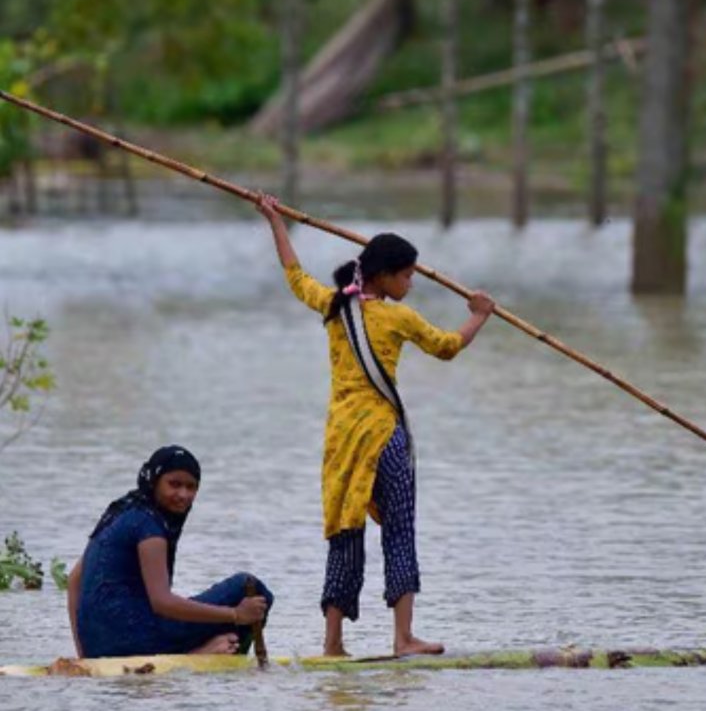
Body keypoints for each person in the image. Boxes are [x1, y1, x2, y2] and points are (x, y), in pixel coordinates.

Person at [257, 194, 495, 658]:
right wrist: (479, 315)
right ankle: (404, 638)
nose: (411, 282)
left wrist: (275, 221)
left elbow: (295, 276)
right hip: (385, 437)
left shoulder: (333, 306)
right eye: (406, 275)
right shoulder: (397, 315)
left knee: (345, 531)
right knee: (400, 528)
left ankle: (332, 644)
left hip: (342, 440)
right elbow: (447, 346)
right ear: (384, 276)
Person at [66, 445, 273, 658]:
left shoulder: (120, 512)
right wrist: (236, 614)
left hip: (98, 646)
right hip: (135, 640)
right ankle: (205, 656)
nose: (183, 495)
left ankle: (207, 651)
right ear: (154, 482)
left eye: (191, 487)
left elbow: (74, 582)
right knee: (250, 588)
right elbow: (162, 602)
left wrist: (84, 655)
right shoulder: (149, 526)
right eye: (174, 484)